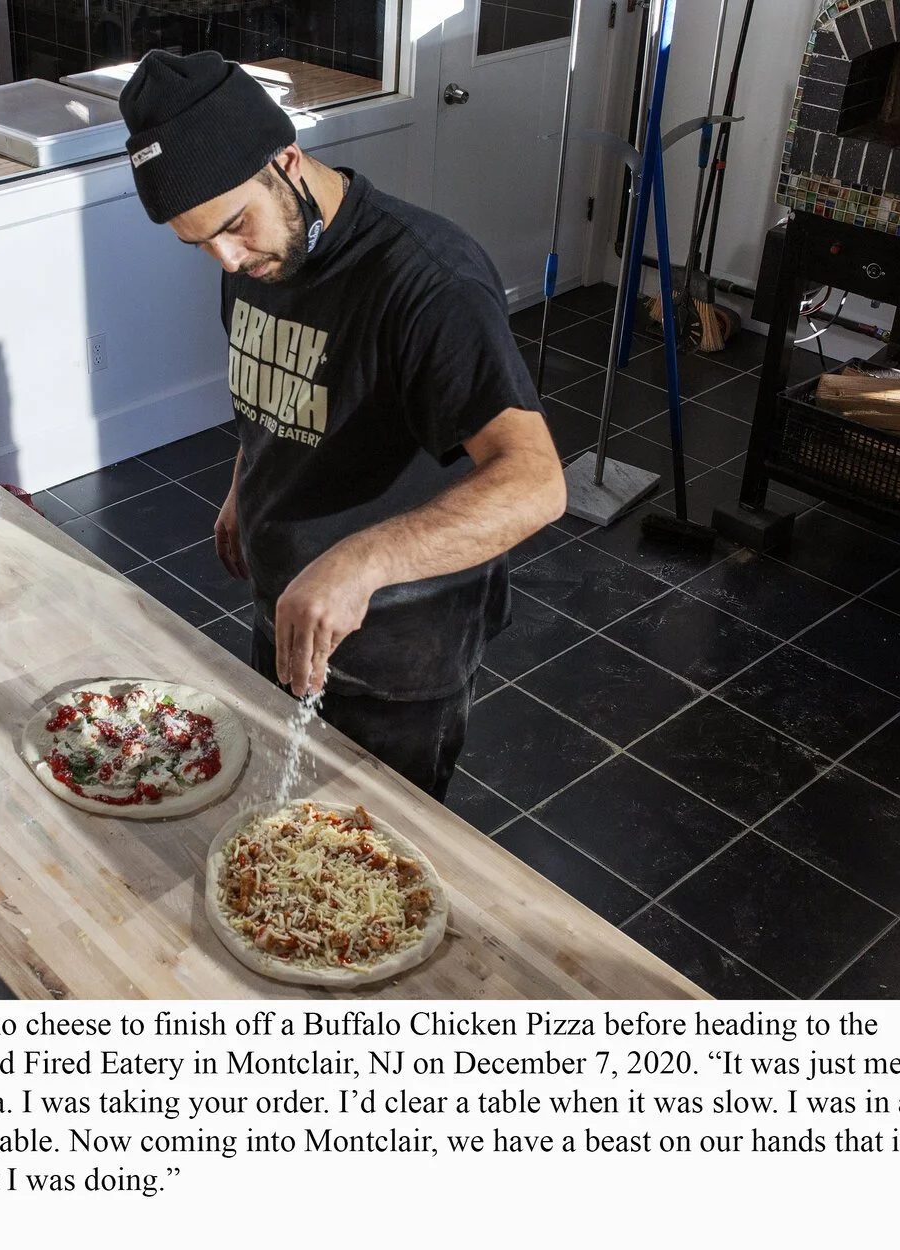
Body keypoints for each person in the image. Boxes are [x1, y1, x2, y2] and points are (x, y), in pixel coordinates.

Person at [118, 50, 567, 800]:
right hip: (290, 606)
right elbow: (282, 386)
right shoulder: (259, 257)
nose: (226, 259)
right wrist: (245, 487)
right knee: (276, 824)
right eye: (199, 244)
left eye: (233, 227)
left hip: (402, 640)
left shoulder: (428, 281)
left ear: (287, 161)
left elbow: (537, 483)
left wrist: (358, 562)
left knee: (363, 846)